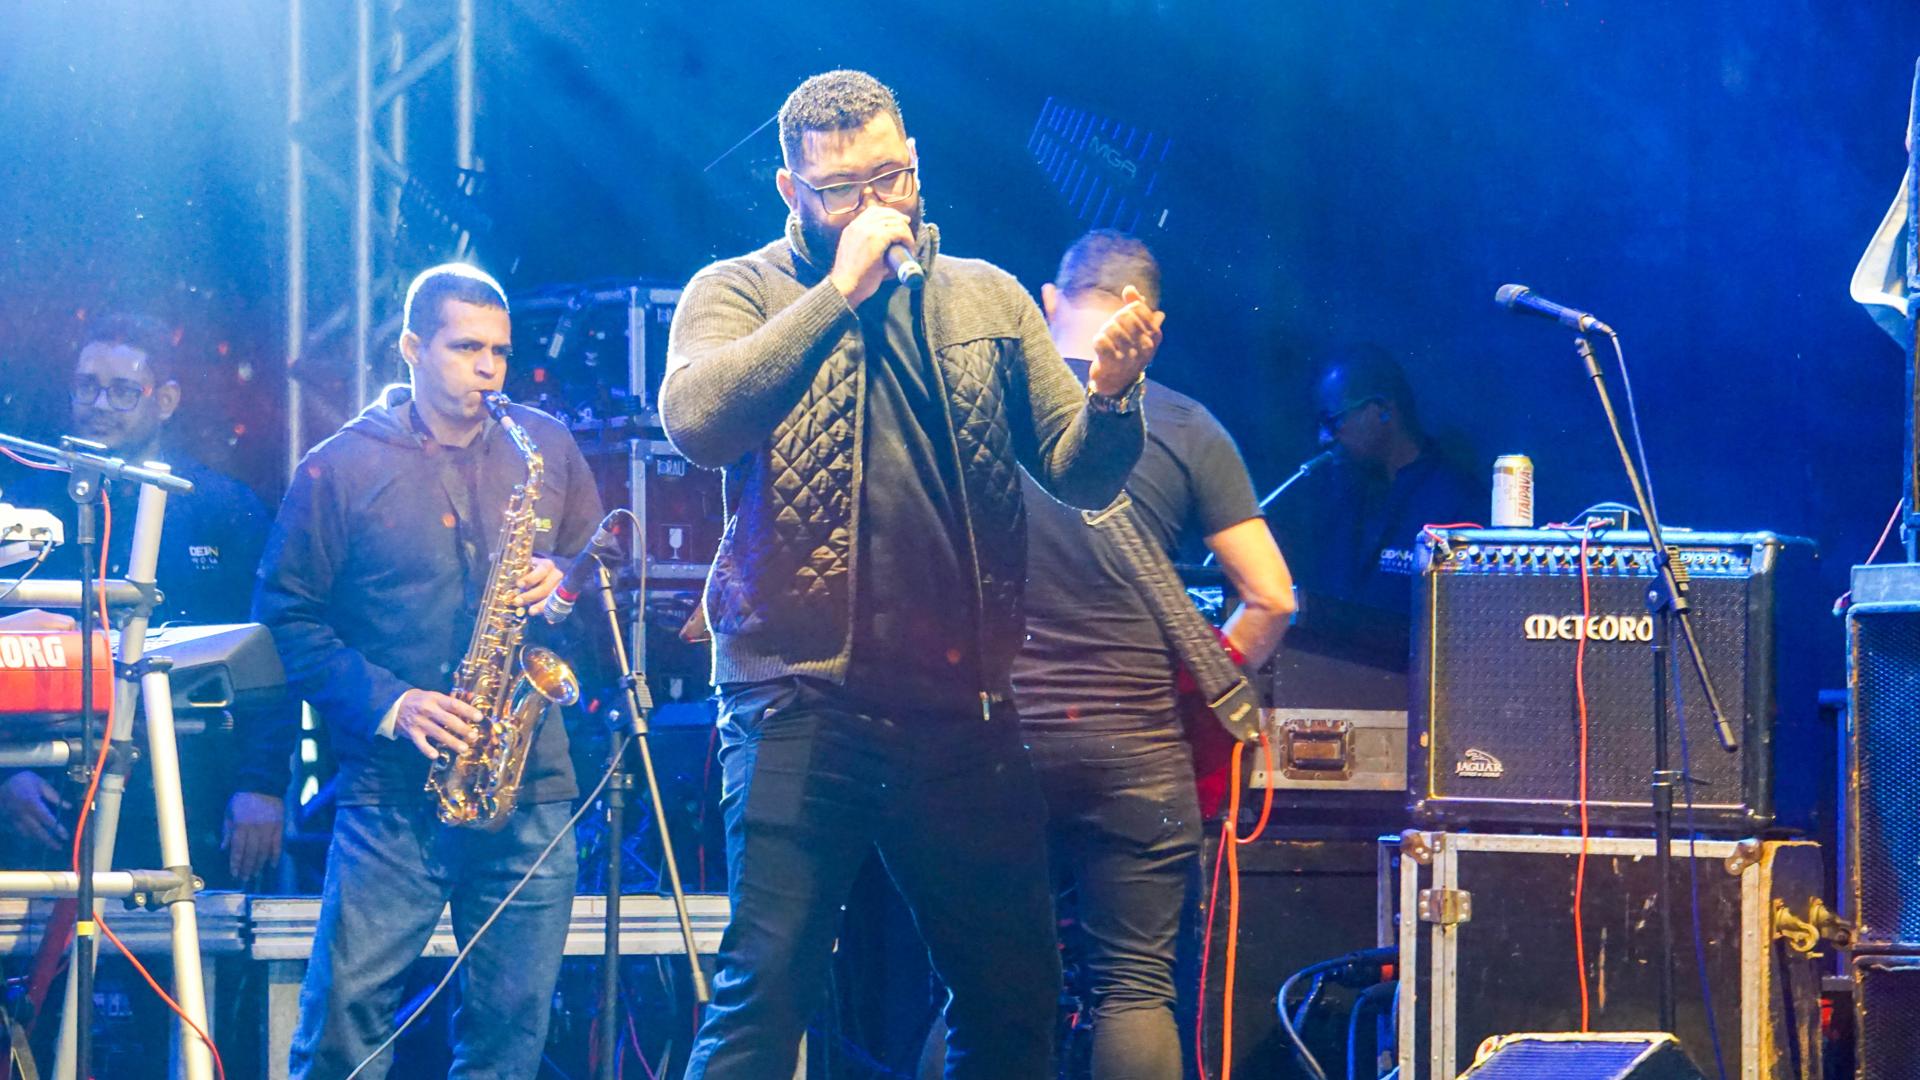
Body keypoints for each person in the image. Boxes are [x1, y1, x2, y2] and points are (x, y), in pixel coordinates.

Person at [660, 70, 1162, 1079]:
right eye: (841, 189)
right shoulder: (740, 290)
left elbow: (1078, 474)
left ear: (917, 162)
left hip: (958, 709)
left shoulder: (987, 295)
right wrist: (836, 294)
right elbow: (697, 422)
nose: (874, 205)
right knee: (766, 993)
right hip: (798, 697)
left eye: (891, 176)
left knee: (1013, 996)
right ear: (790, 189)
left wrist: (1112, 398)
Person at [254, 264, 604, 1078]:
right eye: (466, 348)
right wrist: (395, 703)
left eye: (501, 352)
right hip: (393, 792)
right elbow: (283, 620)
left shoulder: (543, 445)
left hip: (529, 787)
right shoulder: (340, 466)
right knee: (345, 1027)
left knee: (511, 1036)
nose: (489, 369)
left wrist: (565, 578)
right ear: (412, 348)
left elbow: (601, 561)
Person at [1012, 231, 1296, 1080]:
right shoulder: (1184, 424)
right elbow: (1272, 597)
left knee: (983, 992)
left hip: (994, 744)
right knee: (1133, 987)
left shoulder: (987, 413)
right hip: (1135, 746)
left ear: (1049, 302)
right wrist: (1195, 690)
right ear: (1149, 320)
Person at [0, 313, 286, 885]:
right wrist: (5, 774)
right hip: (47, 784)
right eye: (86, 386)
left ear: (166, 400)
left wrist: (263, 783)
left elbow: (272, 650)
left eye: (123, 391)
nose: (99, 404)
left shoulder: (222, 507)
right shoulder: (24, 508)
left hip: (191, 780)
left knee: (188, 932)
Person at [1266, 344, 1484, 628]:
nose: (1324, 439)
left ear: (1382, 410)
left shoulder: (1457, 501)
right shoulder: (1342, 494)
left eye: (1333, 421)